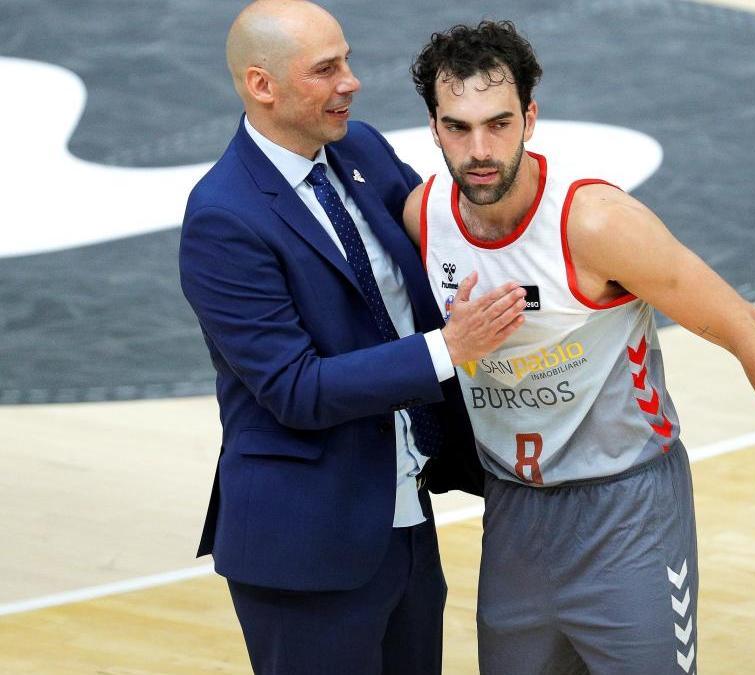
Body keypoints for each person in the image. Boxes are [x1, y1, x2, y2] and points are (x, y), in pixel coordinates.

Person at [403, 20, 755, 674]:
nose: (480, 147)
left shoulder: (596, 223)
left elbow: (746, 326)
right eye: (458, 128)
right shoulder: (423, 217)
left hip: (627, 510)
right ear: (433, 128)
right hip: (514, 513)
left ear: (531, 119)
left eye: (498, 123)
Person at [177, 3, 527, 673]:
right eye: (327, 69)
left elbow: (450, 237)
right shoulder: (223, 218)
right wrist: (447, 349)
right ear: (262, 85)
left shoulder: (359, 148)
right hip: (304, 547)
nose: (352, 81)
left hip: (402, 517)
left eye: (347, 60)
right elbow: (294, 388)